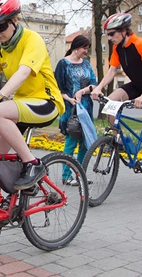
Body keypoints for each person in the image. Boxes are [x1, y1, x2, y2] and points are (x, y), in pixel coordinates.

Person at [0, 0, 65, 243]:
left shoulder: (32, 39)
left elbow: (24, 72)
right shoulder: (0, 48)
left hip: (45, 103)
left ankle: (32, 164)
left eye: (1, 26)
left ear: (14, 20)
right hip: (21, 107)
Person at [90, 13, 142, 200]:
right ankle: (117, 140)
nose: (109, 39)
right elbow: (112, 70)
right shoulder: (118, 48)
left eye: (112, 34)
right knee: (110, 103)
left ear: (123, 31)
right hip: (136, 84)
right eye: (108, 35)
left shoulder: (140, 44)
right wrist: (98, 88)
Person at [54, 35, 97, 185]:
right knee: (71, 141)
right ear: (76, 47)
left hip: (86, 107)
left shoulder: (86, 64)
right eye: (84, 48)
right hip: (70, 109)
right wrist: (69, 99)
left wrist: (82, 91)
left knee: (85, 143)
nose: (86, 51)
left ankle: (81, 174)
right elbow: (57, 88)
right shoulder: (63, 64)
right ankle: (66, 176)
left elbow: (94, 84)